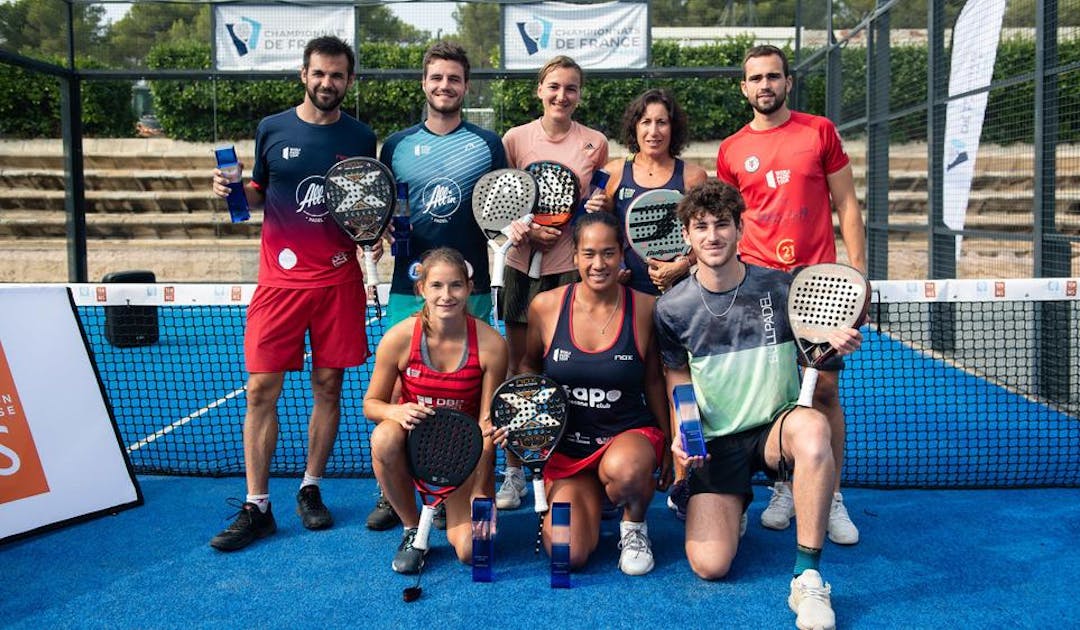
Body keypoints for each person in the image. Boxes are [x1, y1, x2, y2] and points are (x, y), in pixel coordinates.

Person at [653, 180, 861, 630]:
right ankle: (735, 502)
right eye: (701, 227)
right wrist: (683, 434)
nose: (712, 236)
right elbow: (677, 376)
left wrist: (834, 347)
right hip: (717, 440)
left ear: (740, 229)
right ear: (687, 237)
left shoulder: (780, 287)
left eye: (722, 225)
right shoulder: (672, 308)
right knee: (710, 565)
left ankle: (807, 576)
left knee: (812, 430)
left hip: (775, 427)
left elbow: (814, 353)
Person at [208, 36, 377, 551]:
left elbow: (363, 206)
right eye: (319, 73)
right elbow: (258, 192)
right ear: (304, 75)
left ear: (349, 81)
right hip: (278, 284)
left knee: (327, 387)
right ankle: (257, 504)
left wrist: (377, 230)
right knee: (262, 390)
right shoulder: (272, 129)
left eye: (338, 75)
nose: (328, 82)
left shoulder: (362, 136)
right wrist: (230, 190)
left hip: (338, 281)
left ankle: (310, 487)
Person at [715, 44, 868, 545]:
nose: (765, 85)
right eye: (755, 78)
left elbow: (845, 202)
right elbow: (729, 222)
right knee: (773, 393)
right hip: (759, 287)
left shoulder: (819, 131)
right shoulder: (732, 150)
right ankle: (784, 486)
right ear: (744, 87)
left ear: (787, 82)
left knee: (823, 390)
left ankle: (833, 495)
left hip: (820, 287)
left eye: (773, 76)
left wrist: (858, 275)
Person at [365, 40, 508, 532]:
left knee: (468, 386)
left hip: (474, 285)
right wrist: (379, 234)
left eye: (454, 79)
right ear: (424, 83)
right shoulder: (398, 145)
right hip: (410, 285)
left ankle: (466, 482)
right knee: (407, 386)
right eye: (436, 77)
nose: (444, 86)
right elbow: (389, 209)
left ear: (465, 87)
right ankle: (397, 488)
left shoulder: (488, 145)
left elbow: (501, 208)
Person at [512, 212, 671, 576]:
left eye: (608, 253)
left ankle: (633, 525)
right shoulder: (546, 306)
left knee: (626, 471)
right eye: (589, 254)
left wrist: (671, 446)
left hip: (627, 438)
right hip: (567, 452)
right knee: (567, 555)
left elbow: (653, 383)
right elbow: (527, 367)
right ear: (575, 256)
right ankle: (596, 498)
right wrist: (526, 419)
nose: (598, 264)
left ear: (622, 255)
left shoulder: (646, 309)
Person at [497, 55, 610, 511]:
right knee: (520, 367)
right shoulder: (515, 139)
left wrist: (593, 207)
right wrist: (525, 224)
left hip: (570, 270)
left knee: (563, 369)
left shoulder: (595, 143)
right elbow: (503, 195)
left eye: (571, 88)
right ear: (539, 91)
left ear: (579, 95)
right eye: (554, 87)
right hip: (522, 267)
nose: (562, 96)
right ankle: (514, 470)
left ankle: (564, 461)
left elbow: (593, 203)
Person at [363, 248, 508, 574]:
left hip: (462, 456)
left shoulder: (492, 346)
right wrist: (395, 413)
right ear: (422, 289)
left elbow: (487, 427)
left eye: (456, 286)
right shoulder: (398, 339)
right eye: (437, 286)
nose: (447, 295)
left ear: (470, 289)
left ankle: (452, 507)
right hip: (413, 446)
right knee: (384, 437)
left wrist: (483, 494)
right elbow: (371, 405)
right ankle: (412, 527)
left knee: (475, 551)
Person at [603, 88, 707, 296]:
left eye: (662, 122)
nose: (653, 131)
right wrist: (615, 266)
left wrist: (683, 264)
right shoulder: (613, 173)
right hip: (625, 293)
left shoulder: (694, 176)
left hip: (679, 292)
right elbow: (603, 231)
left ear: (673, 128)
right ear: (635, 126)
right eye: (645, 122)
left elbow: (705, 235)